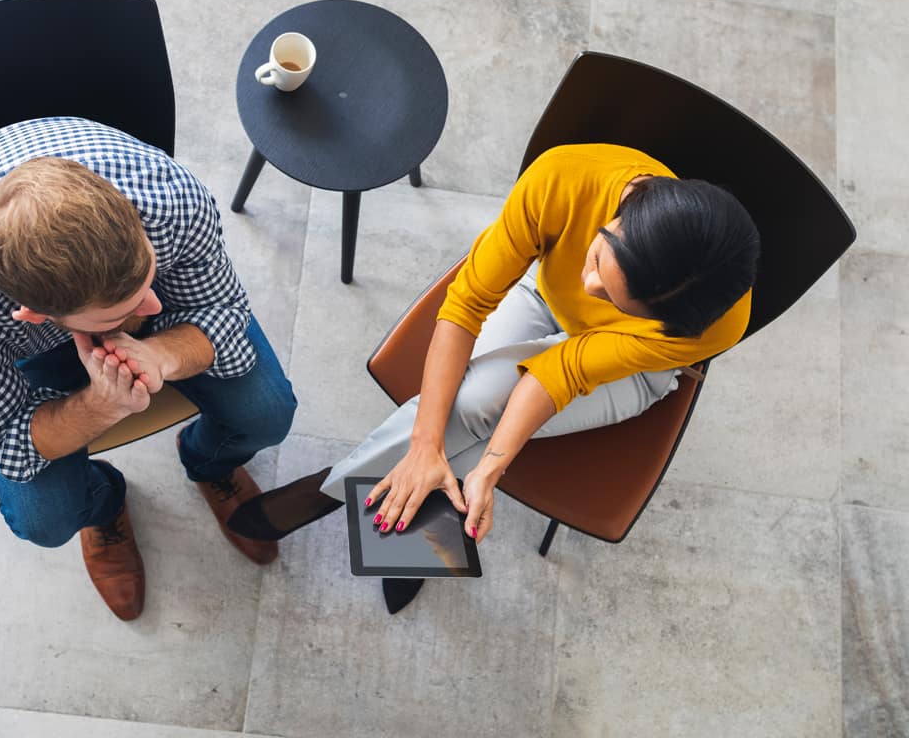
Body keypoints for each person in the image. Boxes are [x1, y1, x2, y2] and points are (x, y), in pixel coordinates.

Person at [228, 143, 759, 554]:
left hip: (629, 370)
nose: (591, 290)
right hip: (542, 297)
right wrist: (424, 445)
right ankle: (409, 530)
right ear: (622, 207)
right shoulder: (564, 177)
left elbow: (565, 371)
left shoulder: (708, 323)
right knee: (470, 408)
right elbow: (466, 305)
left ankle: (341, 492)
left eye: (622, 302)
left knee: (479, 430)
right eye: (597, 261)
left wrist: (491, 470)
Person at [0, 117, 296, 622]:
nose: (149, 308)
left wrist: (162, 353)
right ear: (35, 317)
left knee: (268, 414)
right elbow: (10, 442)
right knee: (44, 519)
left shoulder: (165, 196)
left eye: (146, 277)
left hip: (92, 267)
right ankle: (102, 507)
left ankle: (211, 462)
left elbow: (222, 311)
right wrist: (102, 405)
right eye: (121, 313)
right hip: (5, 354)